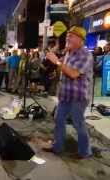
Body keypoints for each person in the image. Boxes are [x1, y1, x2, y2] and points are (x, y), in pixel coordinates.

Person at [44, 26, 93, 159]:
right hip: (65, 95)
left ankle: (85, 151)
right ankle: (58, 147)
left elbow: (73, 73)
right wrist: (56, 73)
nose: (67, 38)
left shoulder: (86, 55)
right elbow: (66, 70)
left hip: (78, 97)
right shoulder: (68, 52)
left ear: (80, 39)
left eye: (71, 36)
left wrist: (57, 62)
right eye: (67, 36)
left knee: (78, 123)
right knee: (59, 120)